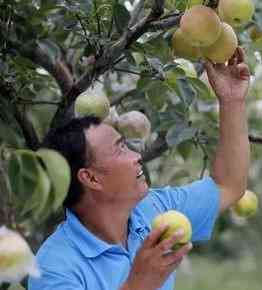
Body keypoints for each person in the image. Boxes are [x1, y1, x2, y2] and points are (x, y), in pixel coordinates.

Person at [28, 47, 250, 290]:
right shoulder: (54, 269)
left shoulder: (153, 211)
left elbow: (229, 185)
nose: (136, 156)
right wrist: (140, 283)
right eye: (120, 148)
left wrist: (232, 101)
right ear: (90, 177)